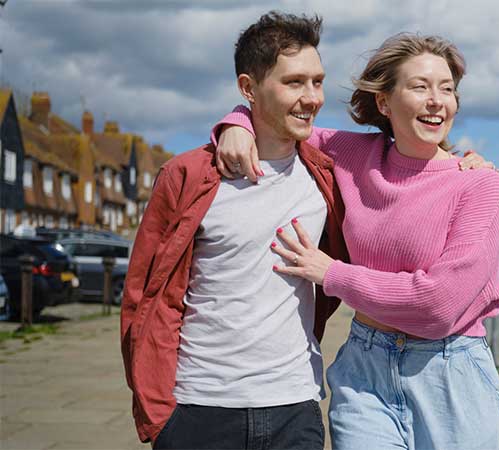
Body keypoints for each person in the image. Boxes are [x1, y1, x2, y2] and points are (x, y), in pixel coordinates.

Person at [214, 32, 499, 450]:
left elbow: (440, 305)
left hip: (451, 374)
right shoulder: (353, 154)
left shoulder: (479, 185)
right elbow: (278, 120)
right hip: (364, 371)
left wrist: (331, 273)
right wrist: (236, 123)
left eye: (447, 89)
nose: (436, 100)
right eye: (420, 86)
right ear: (385, 102)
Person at [120, 12, 350, 449]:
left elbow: (402, 152)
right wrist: (158, 416)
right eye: (294, 82)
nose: (313, 98)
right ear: (249, 88)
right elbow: (143, 295)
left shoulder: (326, 176)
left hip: (295, 406)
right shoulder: (186, 176)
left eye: (318, 81)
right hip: (198, 408)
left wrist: (462, 163)